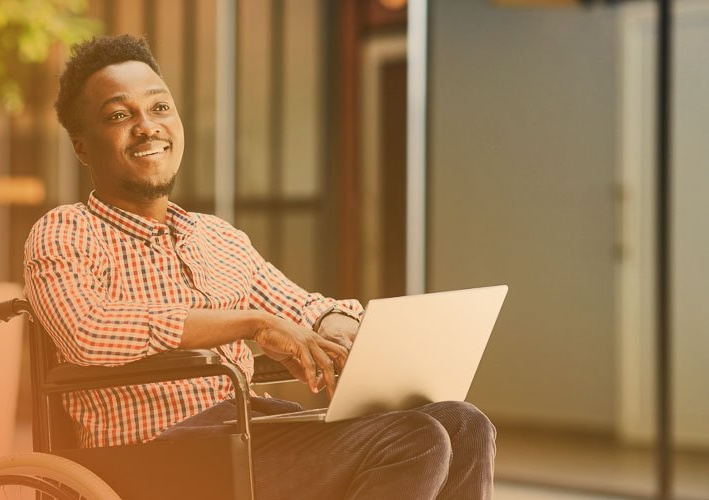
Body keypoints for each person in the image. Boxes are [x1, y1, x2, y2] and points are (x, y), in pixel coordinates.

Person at [24, 34, 496, 500]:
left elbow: (300, 305)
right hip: (155, 456)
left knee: (464, 423)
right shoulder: (66, 231)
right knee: (414, 443)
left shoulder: (217, 237)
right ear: (83, 147)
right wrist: (251, 323)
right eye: (120, 115)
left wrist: (336, 325)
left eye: (160, 107)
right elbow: (86, 329)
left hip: (251, 429)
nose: (148, 126)